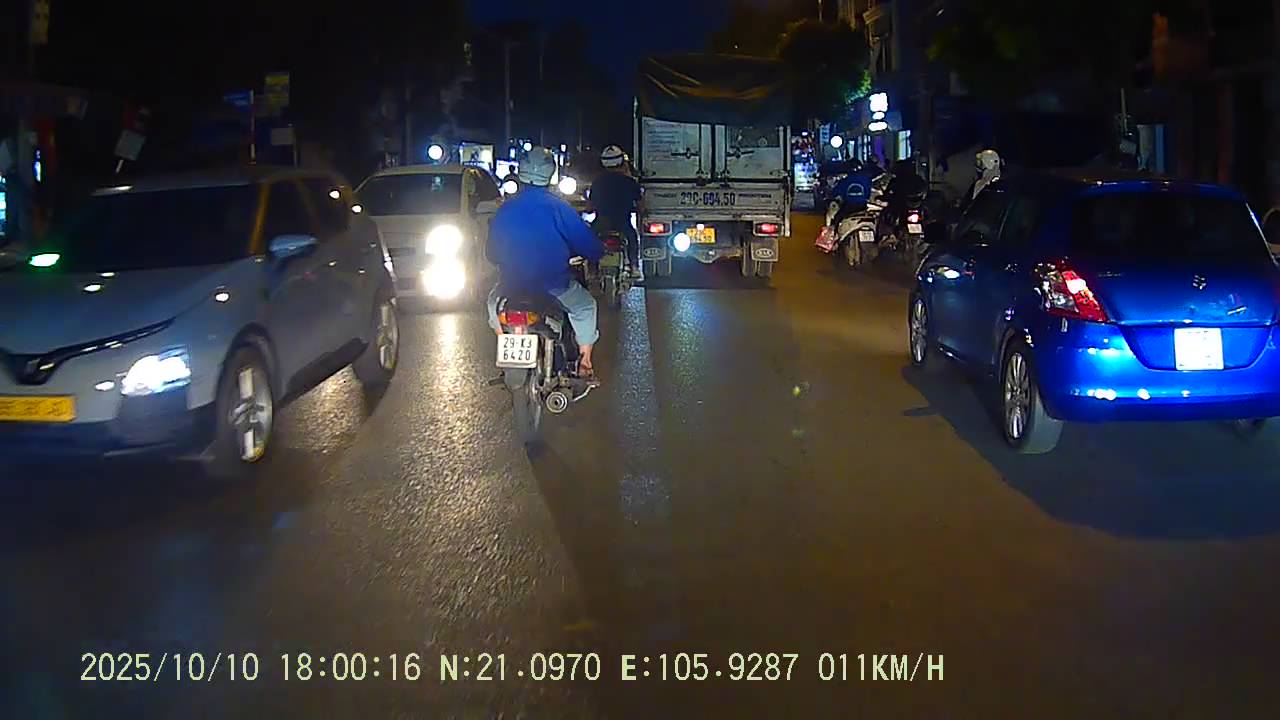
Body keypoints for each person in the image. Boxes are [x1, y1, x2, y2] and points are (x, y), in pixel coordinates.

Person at [486, 147, 606, 380]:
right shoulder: (559, 208)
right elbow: (588, 245)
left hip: (511, 287)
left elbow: (491, 253)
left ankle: (506, 354)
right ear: (550, 173)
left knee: (493, 306)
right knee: (585, 308)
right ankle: (585, 363)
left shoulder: (506, 209)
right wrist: (597, 252)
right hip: (554, 286)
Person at [589, 144, 642, 279]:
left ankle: (592, 269)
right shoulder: (629, 182)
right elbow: (640, 204)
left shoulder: (597, 182)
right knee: (632, 238)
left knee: (590, 239)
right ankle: (634, 266)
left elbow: (590, 205)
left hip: (602, 223)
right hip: (622, 223)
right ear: (621, 161)